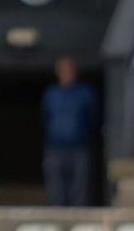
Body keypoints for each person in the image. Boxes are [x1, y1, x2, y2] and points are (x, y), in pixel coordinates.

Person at [41, 57, 99, 208]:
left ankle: (78, 217)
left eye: (69, 71)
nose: (66, 74)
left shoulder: (85, 93)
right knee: (56, 187)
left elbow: (93, 117)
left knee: (79, 187)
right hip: (55, 146)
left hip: (78, 146)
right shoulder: (52, 94)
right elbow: (45, 117)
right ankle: (57, 216)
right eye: (63, 71)